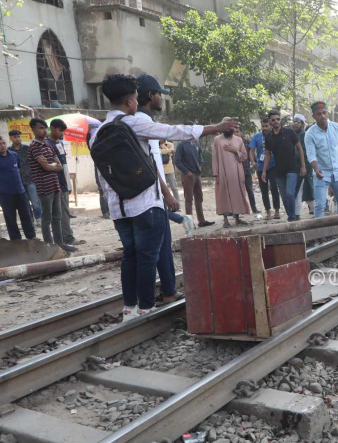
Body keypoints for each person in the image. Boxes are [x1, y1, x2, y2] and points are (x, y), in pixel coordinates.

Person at [95, 73, 238, 320]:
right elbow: (174, 132)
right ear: (130, 101)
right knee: (147, 257)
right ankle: (146, 307)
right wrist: (216, 127)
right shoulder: (133, 122)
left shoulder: (97, 131)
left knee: (130, 258)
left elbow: (102, 175)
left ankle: (130, 308)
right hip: (144, 204)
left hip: (119, 208)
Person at [136, 74, 189, 305]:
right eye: (159, 94)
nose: (161, 99)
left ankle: (167, 291)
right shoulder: (143, 123)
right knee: (153, 252)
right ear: (151, 95)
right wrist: (166, 192)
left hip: (152, 196)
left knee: (160, 248)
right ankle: (150, 301)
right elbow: (149, 162)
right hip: (150, 197)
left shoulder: (138, 121)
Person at [28, 119, 75, 252]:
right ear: (33, 130)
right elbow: (47, 167)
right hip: (44, 187)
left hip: (55, 185)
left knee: (57, 217)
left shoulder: (48, 145)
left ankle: (59, 244)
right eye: (41, 128)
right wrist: (52, 166)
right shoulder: (34, 147)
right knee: (46, 218)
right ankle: (48, 247)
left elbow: (58, 166)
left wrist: (51, 166)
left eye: (45, 128)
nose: (44, 131)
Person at [306, 101, 338, 218]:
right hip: (321, 174)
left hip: (337, 172)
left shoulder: (336, 127)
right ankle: (320, 234)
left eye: (324, 113)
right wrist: (316, 169)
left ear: (327, 113)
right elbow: (311, 155)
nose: (322, 116)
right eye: (319, 114)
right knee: (320, 205)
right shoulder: (310, 134)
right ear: (314, 116)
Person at [0, 135, 36, 241]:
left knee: (26, 215)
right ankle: (16, 240)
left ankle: (31, 237)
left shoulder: (13, 155)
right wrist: (1, 183)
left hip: (20, 191)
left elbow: (17, 168)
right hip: (5, 193)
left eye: (3, 143)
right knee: (10, 218)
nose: (2, 146)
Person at [47, 119, 85, 246]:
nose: (61, 133)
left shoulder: (59, 143)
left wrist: (67, 183)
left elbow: (64, 165)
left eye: (62, 131)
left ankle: (65, 237)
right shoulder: (47, 145)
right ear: (52, 128)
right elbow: (52, 166)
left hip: (62, 182)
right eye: (59, 130)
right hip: (54, 183)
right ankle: (66, 238)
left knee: (64, 211)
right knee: (60, 212)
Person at [263, 110, 305, 222]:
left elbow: (299, 148)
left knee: (290, 194)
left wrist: (303, 166)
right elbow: (267, 155)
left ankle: (292, 218)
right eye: (273, 120)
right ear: (270, 122)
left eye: (278, 119)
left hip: (292, 169)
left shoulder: (289, 132)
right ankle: (291, 216)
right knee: (284, 197)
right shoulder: (269, 137)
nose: (276, 121)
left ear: (280, 119)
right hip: (279, 171)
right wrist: (263, 171)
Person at [173, 131, 215, 228]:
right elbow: (177, 161)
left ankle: (201, 220)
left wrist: (200, 164)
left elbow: (200, 155)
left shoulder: (195, 143)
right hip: (188, 176)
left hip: (197, 174)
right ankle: (190, 223)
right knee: (189, 199)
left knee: (199, 198)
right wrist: (187, 172)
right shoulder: (181, 145)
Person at [213, 124, 252, 227]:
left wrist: (235, 150)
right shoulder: (217, 140)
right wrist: (216, 174)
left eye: (230, 128)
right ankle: (225, 221)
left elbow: (244, 156)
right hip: (222, 172)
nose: (228, 129)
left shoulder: (239, 140)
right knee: (223, 195)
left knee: (237, 194)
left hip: (236, 172)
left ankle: (237, 219)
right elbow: (215, 158)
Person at [250, 118, 281, 219]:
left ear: (270, 126)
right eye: (263, 126)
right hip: (260, 167)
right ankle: (268, 211)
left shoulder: (275, 136)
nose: (265, 128)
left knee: (274, 188)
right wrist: (253, 161)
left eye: (267, 126)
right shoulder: (256, 137)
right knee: (264, 190)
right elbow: (251, 151)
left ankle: (277, 210)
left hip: (273, 165)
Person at [9, 130, 41, 221]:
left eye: (19, 136)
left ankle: (39, 218)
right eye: (15, 137)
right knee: (25, 203)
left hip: (30, 179)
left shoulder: (28, 148)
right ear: (10, 138)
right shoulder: (9, 151)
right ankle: (30, 220)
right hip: (17, 181)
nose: (17, 139)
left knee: (35, 201)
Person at [292, 114, 316, 217]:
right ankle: (297, 213)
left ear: (302, 123)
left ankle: (318, 210)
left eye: (297, 122)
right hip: (295, 167)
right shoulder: (292, 135)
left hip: (306, 166)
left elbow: (308, 151)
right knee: (297, 190)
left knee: (308, 189)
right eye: (294, 122)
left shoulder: (306, 135)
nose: (295, 124)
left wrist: (304, 165)